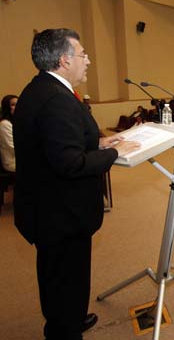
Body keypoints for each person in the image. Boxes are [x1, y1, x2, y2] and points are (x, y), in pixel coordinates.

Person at [13, 28, 140, 340]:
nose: (89, 60)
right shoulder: (57, 99)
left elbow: (56, 144)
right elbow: (69, 163)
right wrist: (112, 152)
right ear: (63, 60)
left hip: (46, 208)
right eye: (83, 54)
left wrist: (97, 142)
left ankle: (64, 320)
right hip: (61, 213)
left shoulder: (39, 89)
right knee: (67, 278)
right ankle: (64, 329)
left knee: (56, 275)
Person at [0, 94, 18, 172]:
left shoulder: (16, 122)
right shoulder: (5, 124)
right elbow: (13, 147)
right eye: (13, 105)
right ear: (7, 107)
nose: (17, 107)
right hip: (12, 162)